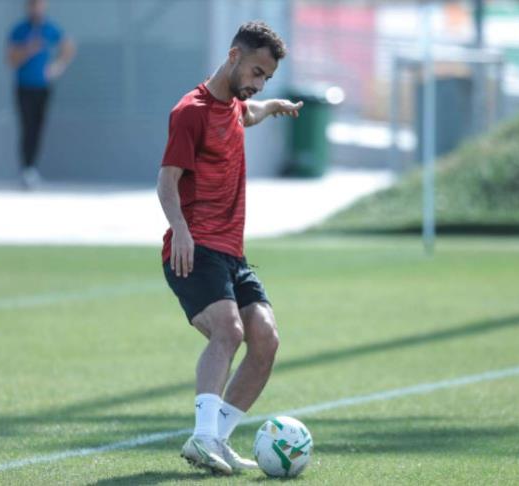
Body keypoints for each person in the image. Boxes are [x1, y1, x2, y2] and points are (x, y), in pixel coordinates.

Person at [156, 21, 303, 475]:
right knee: (229, 330)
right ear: (234, 56)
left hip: (232, 255)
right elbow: (166, 181)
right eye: (257, 72)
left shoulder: (235, 106)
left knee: (266, 339)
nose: (259, 84)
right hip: (193, 249)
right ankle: (202, 437)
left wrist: (273, 106)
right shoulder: (191, 111)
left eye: (267, 78)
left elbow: (248, 114)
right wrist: (180, 229)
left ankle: (217, 438)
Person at [6, 0, 75, 190]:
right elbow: (11, 59)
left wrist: (57, 67)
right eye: (33, 5)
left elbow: (68, 46)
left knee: (38, 127)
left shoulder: (49, 28)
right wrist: (28, 49)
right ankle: (26, 168)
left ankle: (32, 168)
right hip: (24, 87)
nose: (36, 8)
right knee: (27, 126)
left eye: (39, 5)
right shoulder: (19, 30)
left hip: (43, 87)